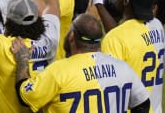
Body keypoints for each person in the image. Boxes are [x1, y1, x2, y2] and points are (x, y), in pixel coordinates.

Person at [12, 13, 151, 113]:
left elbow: (25, 96)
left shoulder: (58, 71)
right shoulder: (123, 68)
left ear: (72, 36)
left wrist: (23, 61)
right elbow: (143, 105)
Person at [84, 0, 164, 112]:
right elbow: (126, 36)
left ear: (126, 2)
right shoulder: (157, 26)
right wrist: (99, 4)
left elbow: (109, 88)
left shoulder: (116, 38)